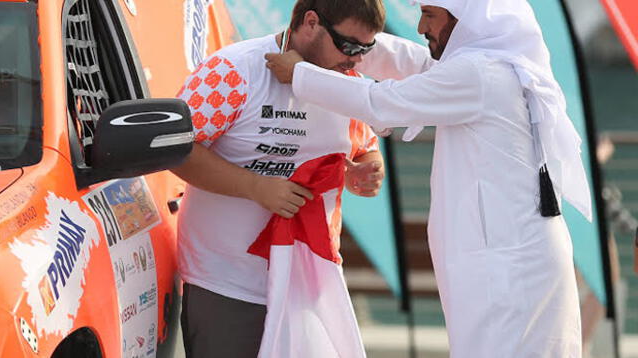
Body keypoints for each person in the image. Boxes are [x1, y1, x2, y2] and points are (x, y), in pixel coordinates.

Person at [265, 0, 594, 356]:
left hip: (509, 275)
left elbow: (379, 102)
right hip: (505, 267)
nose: (421, 27)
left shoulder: (480, 74)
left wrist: (300, 74)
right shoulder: (485, 66)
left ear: (465, 21)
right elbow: (413, 63)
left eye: (430, 15)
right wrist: (342, 39)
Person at [170, 0, 386, 357]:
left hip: (309, 284)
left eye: (367, 49)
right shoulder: (233, 70)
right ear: (311, 22)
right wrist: (255, 187)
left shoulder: (346, 83)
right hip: (229, 284)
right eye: (349, 46)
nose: (356, 60)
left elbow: (364, 147)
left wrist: (368, 168)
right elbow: (175, 149)